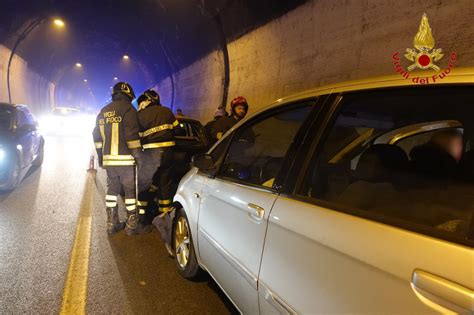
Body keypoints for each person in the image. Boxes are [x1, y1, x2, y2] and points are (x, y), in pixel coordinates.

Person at [93, 82, 148, 235]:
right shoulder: (129, 109)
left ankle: (112, 223)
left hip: (109, 161)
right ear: (129, 95)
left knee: (112, 190)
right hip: (126, 160)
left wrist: (101, 157)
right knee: (130, 191)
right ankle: (132, 225)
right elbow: (132, 137)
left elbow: (96, 137)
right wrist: (139, 156)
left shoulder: (103, 111)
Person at [136, 89, 179, 218]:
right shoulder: (167, 111)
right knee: (164, 184)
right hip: (167, 154)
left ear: (147, 101)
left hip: (150, 155)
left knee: (146, 183)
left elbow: (137, 137)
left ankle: (142, 213)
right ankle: (164, 214)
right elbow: (178, 130)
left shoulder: (140, 115)